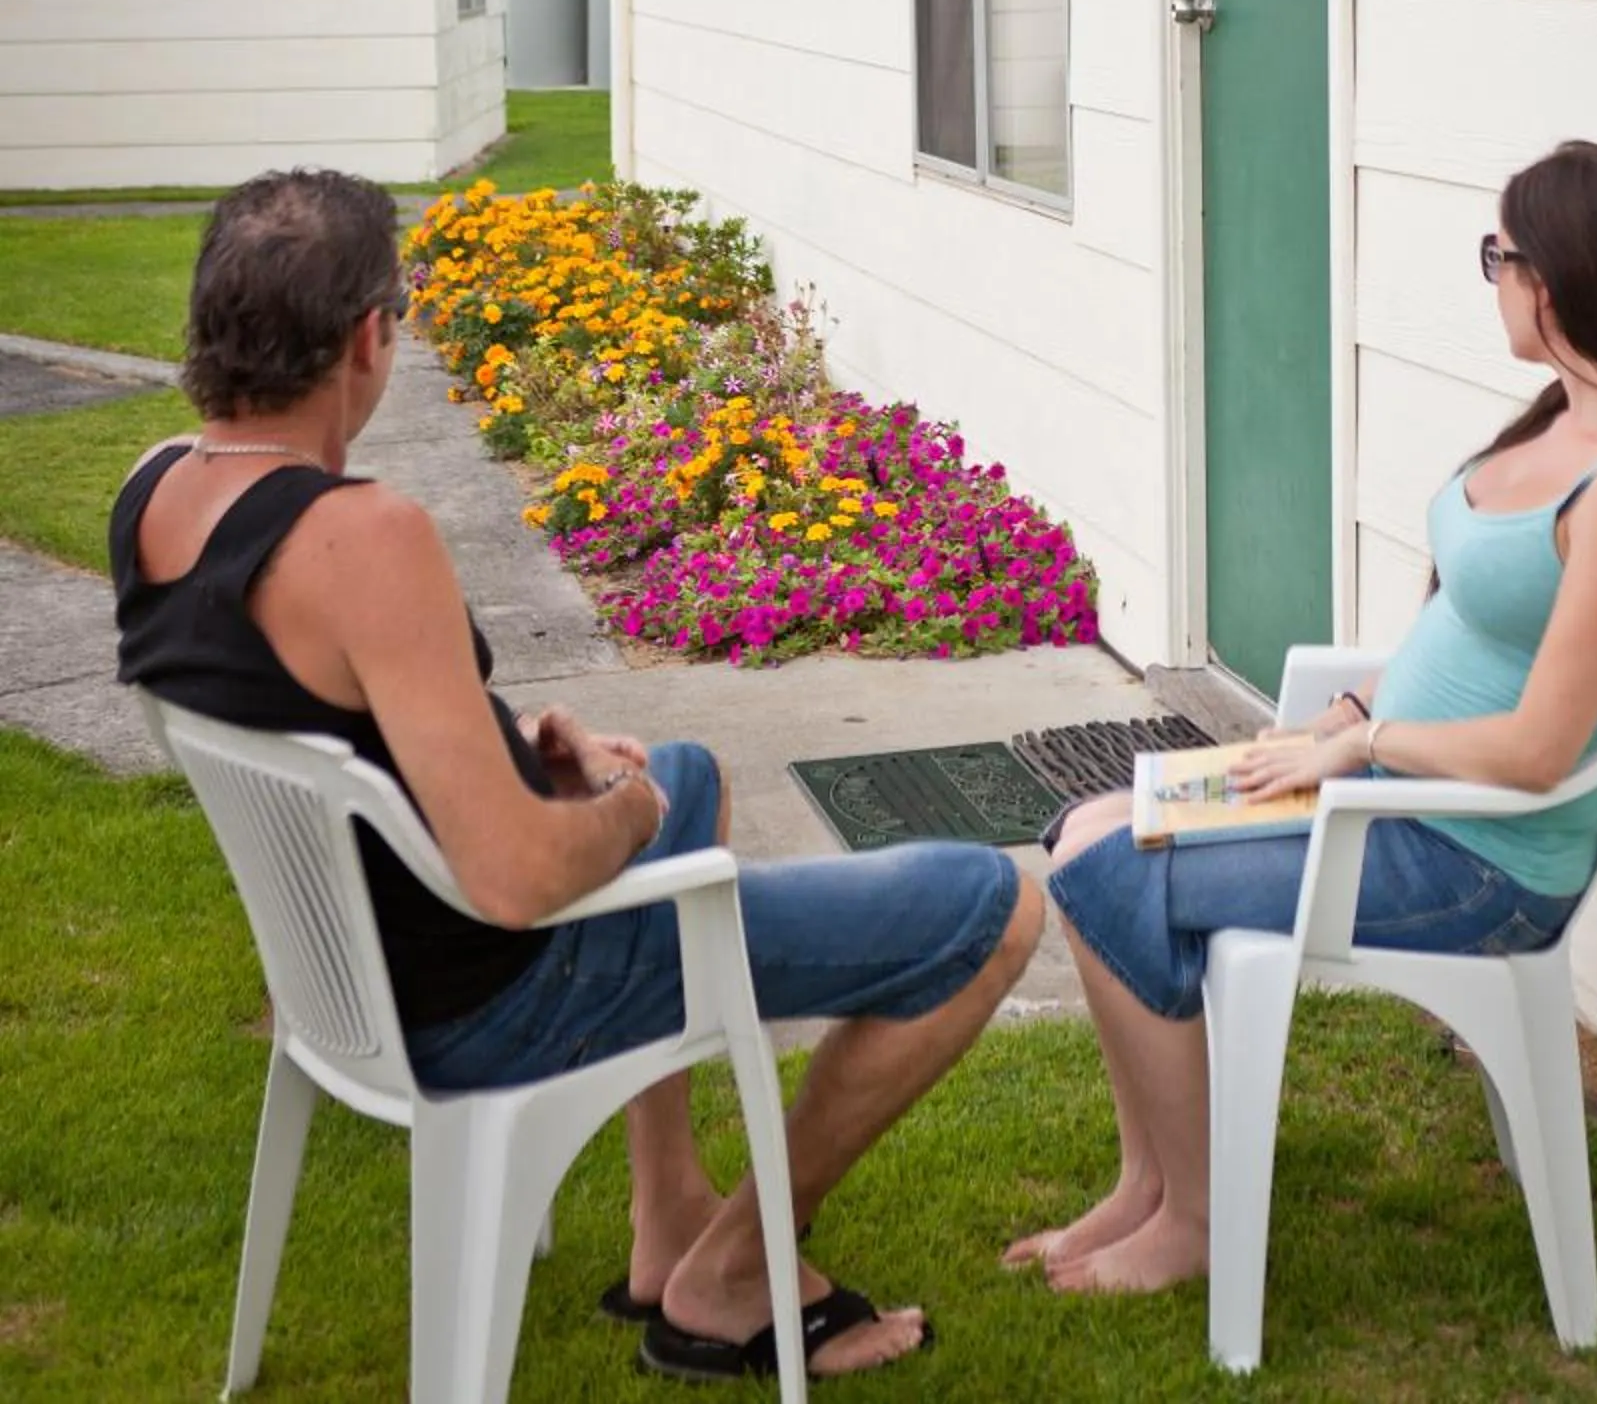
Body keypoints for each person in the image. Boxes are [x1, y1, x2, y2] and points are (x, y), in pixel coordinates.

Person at [111, 167, 1043, 1382]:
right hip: (488, 1000)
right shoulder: (362, 535)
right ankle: (732, 1275)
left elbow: (319, 709)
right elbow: (511, 878)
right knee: (990, 909)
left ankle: (667, 1222)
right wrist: (624, 812)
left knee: (689, 764)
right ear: (365, 337)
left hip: (353, 981)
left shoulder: (157, 490)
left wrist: (515, 746)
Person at [1007, 138, 1597, 1298]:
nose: (1492, 276)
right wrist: (1345, 712)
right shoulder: (1557, 422)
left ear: (1555, 278)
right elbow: (1465, 642)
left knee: (1105, 874)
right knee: (1086, 829)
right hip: (1386, 795)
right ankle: (1145, 1186)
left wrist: (1360, 745)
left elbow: (1540, 748)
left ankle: (1189, 1221)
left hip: (1472, 855)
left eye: (1498, 254)